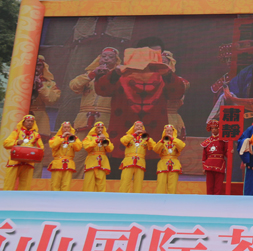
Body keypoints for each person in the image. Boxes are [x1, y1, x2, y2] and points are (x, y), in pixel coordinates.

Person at [94, 46, 186, 148]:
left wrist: (168, 74)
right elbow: (101, 89)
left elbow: (177, 94)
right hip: (126, 134)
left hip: (147, 135)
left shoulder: (162, 79)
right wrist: (115, 73)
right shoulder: (120, 78)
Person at [69, 47, 120, 178]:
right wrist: (92, 74)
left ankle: (96, 185)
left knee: (100, 155)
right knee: (78, 153)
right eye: (104, 56)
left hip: (105, 122)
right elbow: (74, 86)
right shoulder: (88, 75)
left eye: (111, 57)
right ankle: (73, 185)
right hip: (84, 121)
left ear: (116, 61)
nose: (106, 59)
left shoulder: (118, 77)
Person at [30, 55, 61, 177]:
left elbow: (52, 100)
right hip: (20, 115)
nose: (36, 68)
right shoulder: (19, 79)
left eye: (38, 65)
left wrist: (40, 86)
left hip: (39, 118)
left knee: (37, 151)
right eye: (33, 65)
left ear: (43, 67)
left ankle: (34, 180)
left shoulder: (49, 84)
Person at [3, 115, 43, 191]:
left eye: (31, 121)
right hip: (15, 161)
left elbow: (41, 148)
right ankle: (6, 197)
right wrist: (17, 142)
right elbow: (6, 143)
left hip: (28, 162)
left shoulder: (36, 135)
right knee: (9, 182)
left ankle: (24, 198)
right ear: (23, 122)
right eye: (28, 121)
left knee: (26, 184)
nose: (30, 123)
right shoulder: (16, 132)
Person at [119, 121, 156, 193]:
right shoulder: (128, 136)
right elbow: (123, 141)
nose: (139, 127)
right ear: (133, 127)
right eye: (137, 126)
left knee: (138, 183)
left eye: (141, 126)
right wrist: (134, 134)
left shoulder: (145, 138)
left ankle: (137, 198)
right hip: (128, 162)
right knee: (125, 182)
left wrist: (147, 137)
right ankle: (123, 197)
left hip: (140, 163)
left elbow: (153, 146)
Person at [48, 122, 82, 191]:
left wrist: (73, 139)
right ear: (61, 129)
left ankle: (64, 197)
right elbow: (53, 145)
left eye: (68, 127)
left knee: (66, 184)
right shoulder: (56, 137)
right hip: (58, 163)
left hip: (69, 164)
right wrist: (62, 137)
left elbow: (78, 148)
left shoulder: (75, 138)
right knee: (55, 184)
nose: (67, 129)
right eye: (65, 127)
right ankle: (54, 197)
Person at [82, 122, 113, 192]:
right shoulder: (89, 137)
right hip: (91, 162)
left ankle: (100, 197)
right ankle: (87, 197)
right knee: (89, 182)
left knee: (101, 183)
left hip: (102, 162)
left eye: (102, 128)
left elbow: (110, 149)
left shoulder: (106, 138)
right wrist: (97, 140)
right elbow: (86, 147)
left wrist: (105, 141)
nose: (100, 129)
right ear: (95, 128)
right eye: (98, 127)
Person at [154, 125, 185, 194]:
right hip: (163, 164)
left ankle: (171, 199)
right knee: (161, 184)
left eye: (170, 131)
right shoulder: (161, 142)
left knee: (172, 186)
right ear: (164, 132)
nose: (169, 132)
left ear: (173, 132)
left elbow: (181, 146)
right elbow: (156, 149)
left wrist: (172, 139)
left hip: (174, 164)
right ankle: (160, 199)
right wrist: (162, 140)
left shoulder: (177, 141)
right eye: (167, 131)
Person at [202, 120, 227, 195]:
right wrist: (204, 167)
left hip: (219, 164)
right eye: (212, 128)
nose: (214, 130)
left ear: (219, 128)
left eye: (216, 128)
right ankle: (209, 200)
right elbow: (204, 156)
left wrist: (230, 152)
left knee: (218, 187)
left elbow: (227, 153)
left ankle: (217, 200)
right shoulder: (207, 141)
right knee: (209, 186)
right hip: (208, 165)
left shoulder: (223, 140)